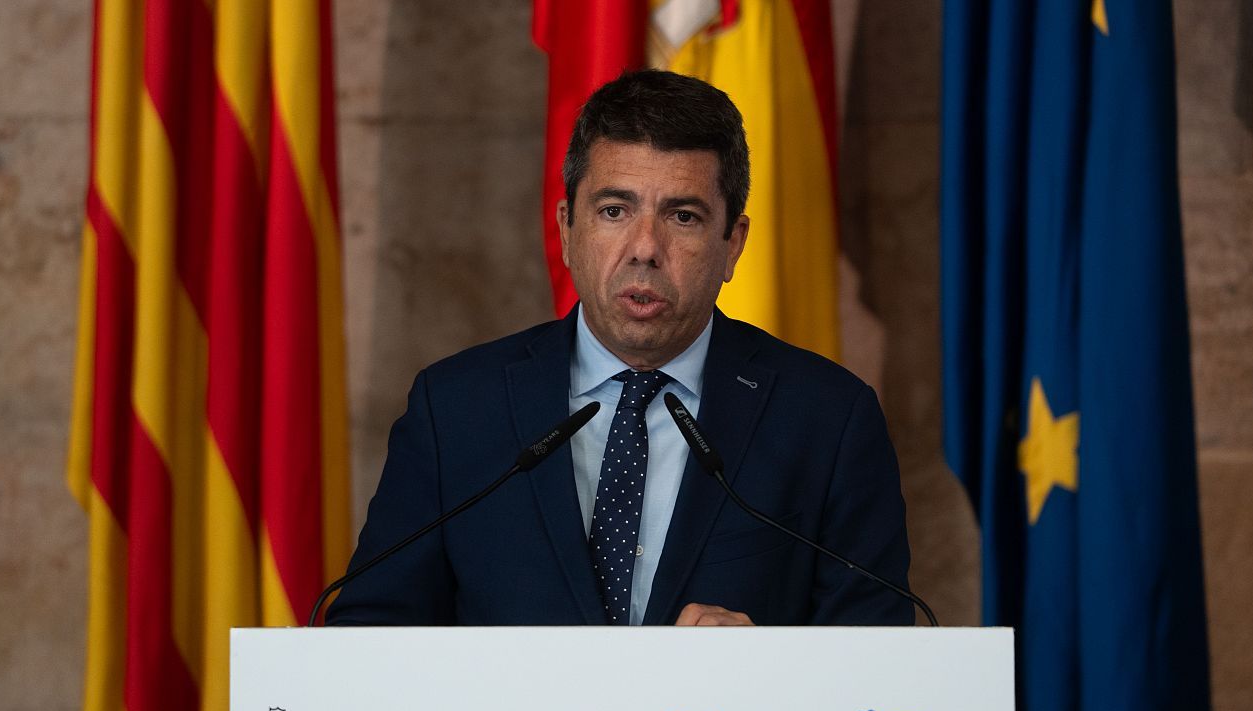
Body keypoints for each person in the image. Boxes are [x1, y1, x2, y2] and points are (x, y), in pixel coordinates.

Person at [325, 69, 911, 627]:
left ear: (733, 244)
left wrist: (764, 664)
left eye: (683, 217)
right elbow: (370, 631)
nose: (644, 248)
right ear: (567, 229)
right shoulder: (456, 409)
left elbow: (879, 657)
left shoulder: (827, 420)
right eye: (614, 211)